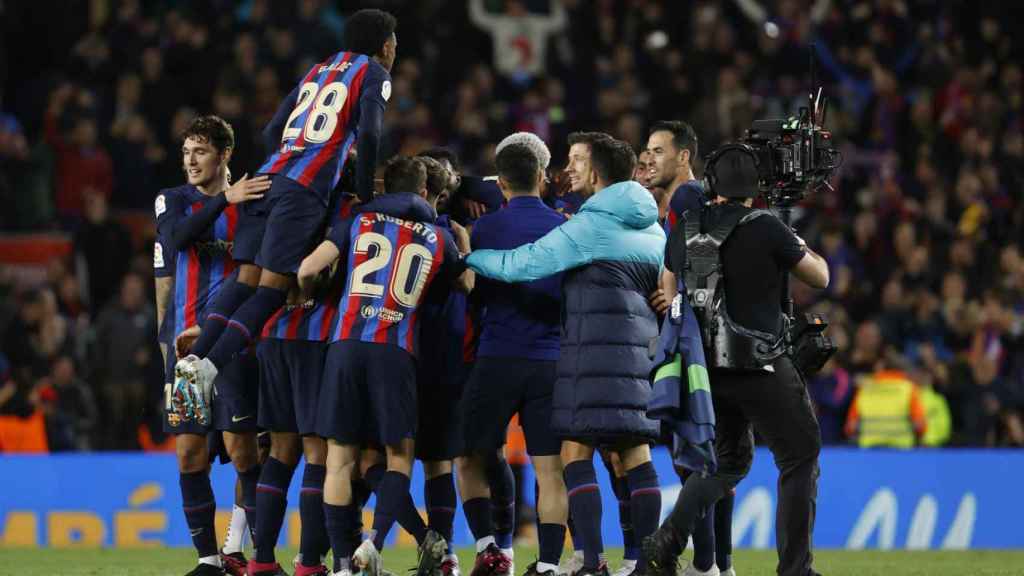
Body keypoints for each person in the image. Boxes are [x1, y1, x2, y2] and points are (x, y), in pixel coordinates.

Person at [172, 9, 398, 425]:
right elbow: (368, 133)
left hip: (270, 176)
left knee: (245, 280)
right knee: (273, 289)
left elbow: (270, 130)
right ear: (386, 46)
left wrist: (283, 162)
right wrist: (363, 193)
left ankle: (196, 358)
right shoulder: (375, 73)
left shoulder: (318, 69)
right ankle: (209, 366)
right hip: (302, 190)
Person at [466, 134, 664, 576]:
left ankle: (591, 560)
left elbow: (524, 263)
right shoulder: (652, 224)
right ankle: (643, 561)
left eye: (575, 161)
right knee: (635, 454)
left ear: (596, 172)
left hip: (591, 351)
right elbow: (669, 281)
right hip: (640, 355)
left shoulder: (585, 226)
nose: (567, 169)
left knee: (575, 454)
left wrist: (470, 257)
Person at [643, 146, 829, 576]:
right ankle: (795, 570)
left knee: (724, 463)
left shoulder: (687, 225)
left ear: (712, 185)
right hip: (760, 364)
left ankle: (666, 542)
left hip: (705, 370)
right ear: (755, 188)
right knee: (800, 455)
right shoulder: (766, 226)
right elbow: (819, 276)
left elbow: (667, 286)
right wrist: (796, 241)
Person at [297, 157, 473, 576]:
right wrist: (463, 245)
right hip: (395, 351)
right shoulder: (437, 235)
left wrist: (315, 295)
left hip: (345, 347)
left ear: (383, 187)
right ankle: (374, 545)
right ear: (425, 191)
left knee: (339, 459)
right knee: (399, 458)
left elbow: (307, 269)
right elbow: (466, 284)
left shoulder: (358, 222)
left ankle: (343, 564)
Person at [154, 115, 272, 576]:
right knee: (189, 453)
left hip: (235, 346)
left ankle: (260, 558)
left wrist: (235, 200)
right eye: (186, 153)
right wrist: (225, 198)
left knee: (245, 454)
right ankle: (208, 559)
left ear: (224, 155)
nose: (190, 161)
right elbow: (176, 238)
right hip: (185, 351)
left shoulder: (253, 207)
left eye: (200, 152)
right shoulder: (173, 200)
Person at [460, 141, 567, 576]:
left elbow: (472, 294)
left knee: (469, 456)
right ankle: (547, 565)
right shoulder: (565, 228)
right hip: (550, 362)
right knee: (550, 472)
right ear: (542, 177)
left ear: (500, 182)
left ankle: (489, 548)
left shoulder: (483, 231)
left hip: (497, 358)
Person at [248, 189, 360, 576]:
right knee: (317, 453)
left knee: (280, 451)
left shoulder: (286, 203)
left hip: (272, 332)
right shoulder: (347, 210)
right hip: (315, 337)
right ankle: (309, 564)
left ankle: (261, 560)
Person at [645, 121, 705, 233]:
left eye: (658, 152)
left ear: (683, 157)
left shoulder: (688, 194)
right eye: (648, 152)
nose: (649, 161)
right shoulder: (677, 204)